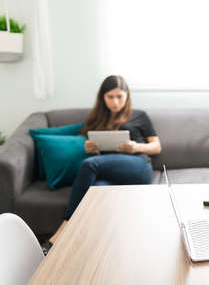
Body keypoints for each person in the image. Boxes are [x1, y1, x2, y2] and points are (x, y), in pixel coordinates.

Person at [42, 75, 162, 254]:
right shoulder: (97, 119)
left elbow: (156, 147)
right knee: (96, 189)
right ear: (103, 97)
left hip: (138, 165)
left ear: (127, 95)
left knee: (89, 165)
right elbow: (99, 154)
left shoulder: (139, 115)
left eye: (119, 96)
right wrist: (91, 148)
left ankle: (62, 232)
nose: (115, 102)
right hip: (109, 169)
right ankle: (93, 249)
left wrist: (136, 146)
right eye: (110, 97)